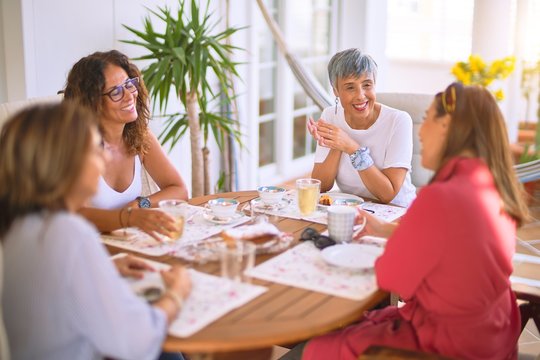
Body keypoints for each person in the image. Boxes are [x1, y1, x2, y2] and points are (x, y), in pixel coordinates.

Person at [300, 83, 529, 359]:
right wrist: (387, 231)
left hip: (448, 346)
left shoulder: (442, 197)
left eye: (429, 118)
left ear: (447, 127)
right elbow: (456, 249)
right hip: (495, 335)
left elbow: (391, 278)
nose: (421, 131)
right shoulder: (491, 187)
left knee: (318, 348)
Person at [0, 102, 192, 360]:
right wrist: (178, 292)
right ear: (64, 165)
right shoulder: (70, 233)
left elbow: (55, 287)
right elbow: (135, 341)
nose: (105, 158)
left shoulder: (21, 228)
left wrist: (104, 268)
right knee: (171, 350)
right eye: (94, 150)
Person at [63, 50, 188, 240]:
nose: (130, 96)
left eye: (129, 84)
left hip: (129, 244)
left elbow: (179, 189)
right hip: (91, 249)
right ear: (92, 103)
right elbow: (78, 215)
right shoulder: (76, 148)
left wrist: (140, 205)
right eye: (116, 91)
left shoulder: (140, 136)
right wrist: (128, 218)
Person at [308, 48, 416, 207]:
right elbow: (321, 186)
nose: (360, 95)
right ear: (336, 91)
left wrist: (351, 147)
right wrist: (337, 145)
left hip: (397, 212)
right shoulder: (330, 116)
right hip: (352, 209)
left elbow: (388, 194)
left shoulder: (399, 121)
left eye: (367, 85)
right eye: (350, 87)